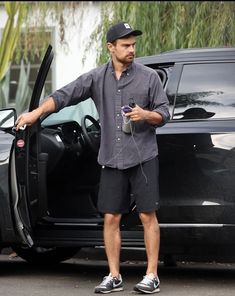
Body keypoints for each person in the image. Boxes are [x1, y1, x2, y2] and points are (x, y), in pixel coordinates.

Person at [16, 21, 170, 294]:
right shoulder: (97, 78)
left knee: (148, 215)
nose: (131, 49)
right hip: (111, 158)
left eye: (133, 44)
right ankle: (114, 276)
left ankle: (152, 275)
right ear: (111, 47)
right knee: (111, 217)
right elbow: (64, 96)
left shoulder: (149, 77)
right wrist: (35, 114)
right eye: (125, 45)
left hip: (144, 157)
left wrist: (145, 115)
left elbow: (164, 114)